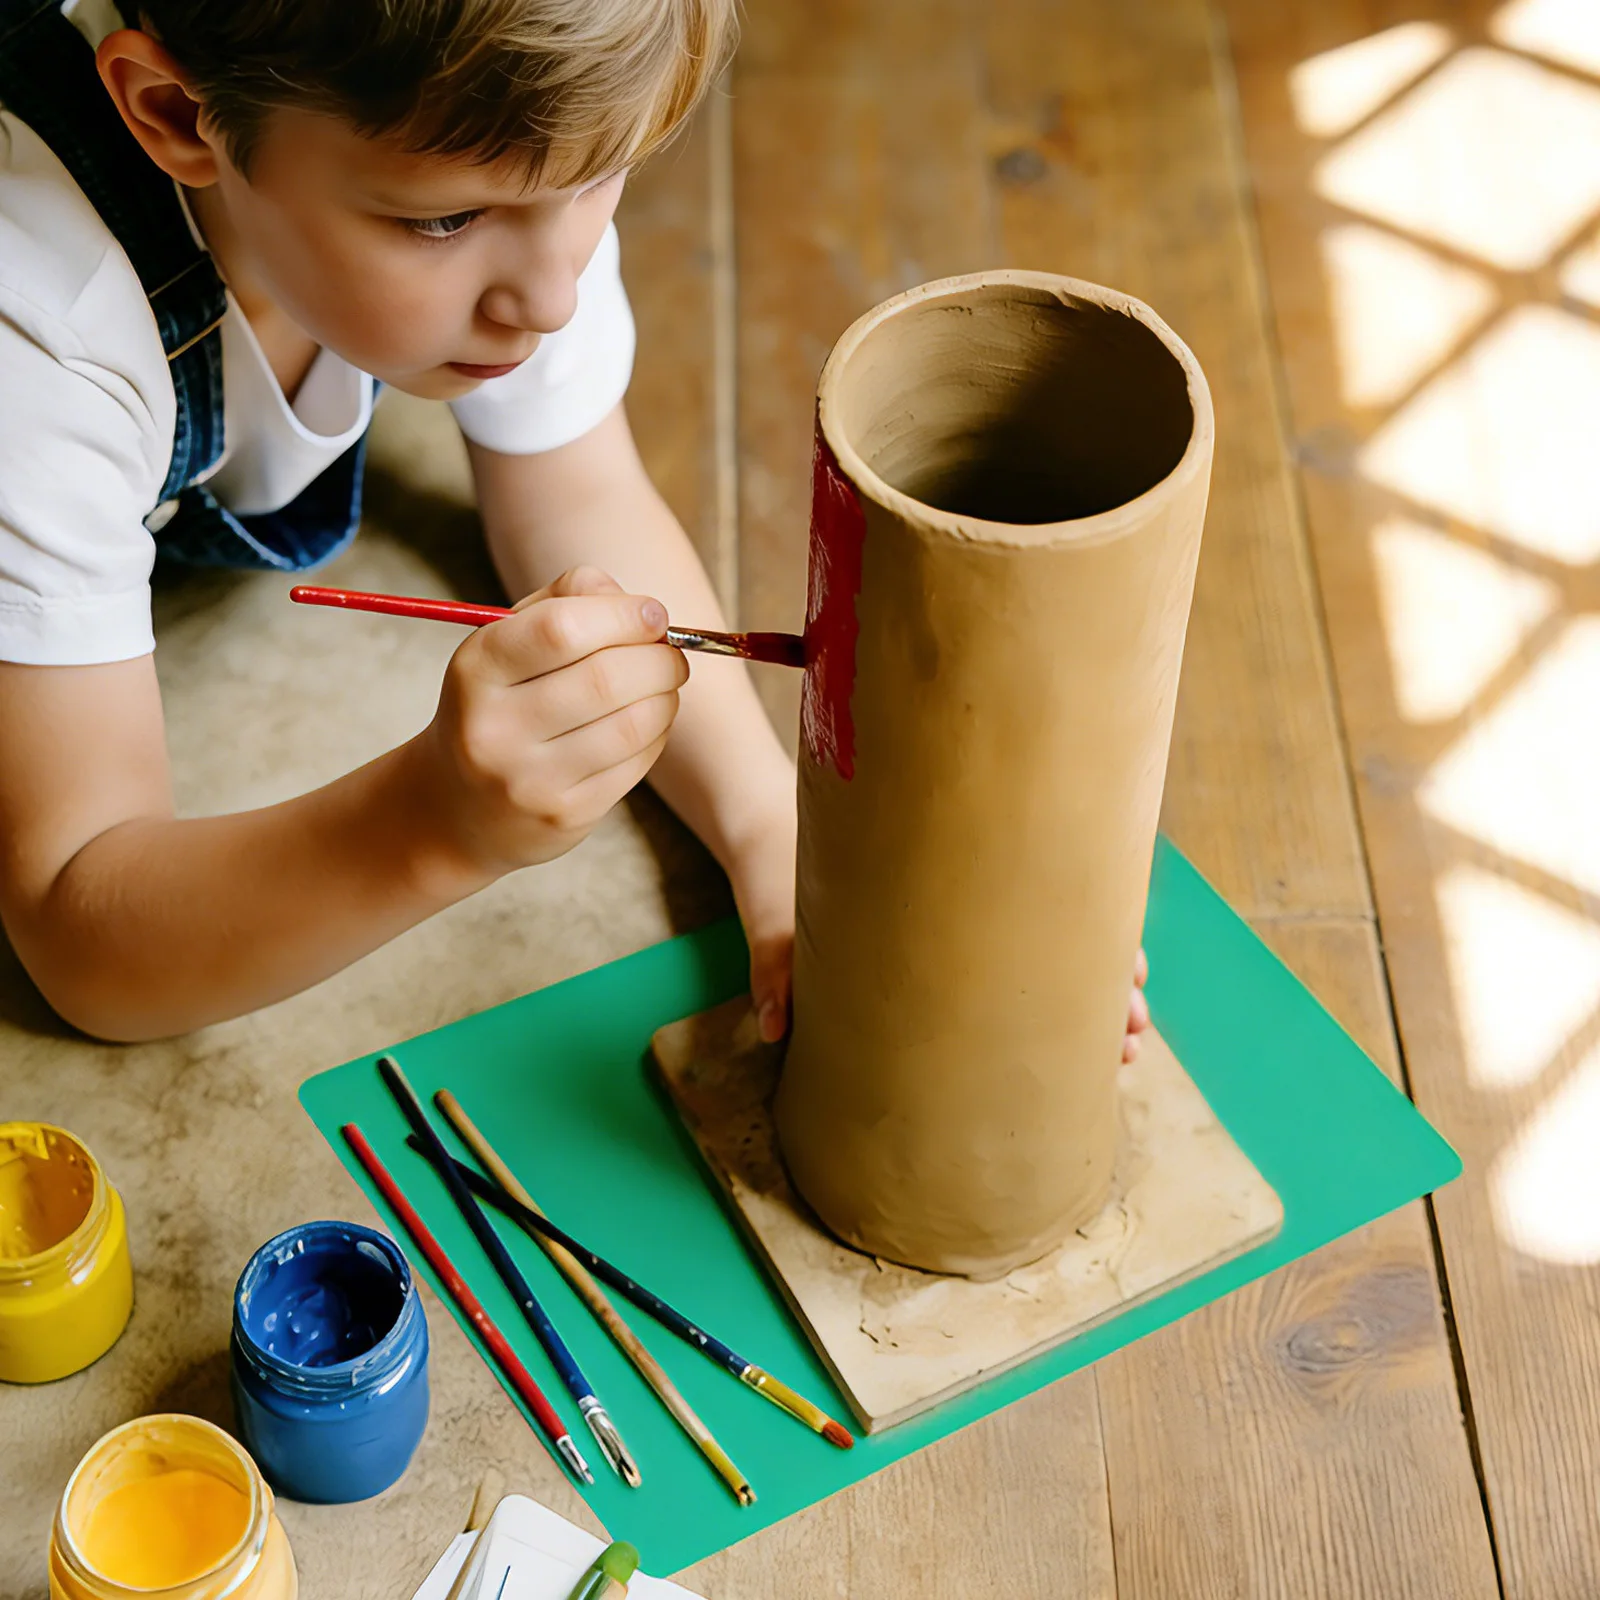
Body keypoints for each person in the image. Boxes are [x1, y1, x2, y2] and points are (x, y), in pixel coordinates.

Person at [0, 0, 1150, 1054]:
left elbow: (575, 495)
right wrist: (432, 822)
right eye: (445, 219)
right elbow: (82, 934)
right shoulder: (42, 341)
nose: (549, 297)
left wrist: (772, 832)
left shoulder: (509, 164)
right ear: (173, 115)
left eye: (609, 175)